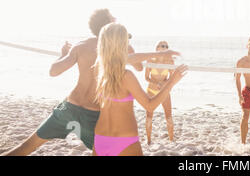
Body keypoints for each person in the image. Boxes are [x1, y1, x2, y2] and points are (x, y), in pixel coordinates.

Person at [2, 9, 145, 156]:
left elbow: (54, 71)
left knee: (28, 145)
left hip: (70, 108)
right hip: (93, 114)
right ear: (108, 25)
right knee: (110, 149)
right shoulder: (120, 47)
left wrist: (63, 54)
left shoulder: (80, 46)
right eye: (113, 18)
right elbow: (139, 67)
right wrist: (129, 48)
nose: (116, 19)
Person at [92, 23, 187, 156]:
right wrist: (172, 81)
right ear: (121, 45)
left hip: (100, 139)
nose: (128, 44)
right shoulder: (126, 76)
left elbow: (130, 58)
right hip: (125, 142)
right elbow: (150, 105)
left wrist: (159, 53)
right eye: (126, 41)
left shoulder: (99, 68)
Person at [145, 41, 175, 144]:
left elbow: (172, 78)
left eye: (167, 46)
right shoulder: (150, 60)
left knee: (169, 116)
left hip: (164, 90)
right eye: (163, 46)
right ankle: (149, 140)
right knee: (149, 116)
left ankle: (171, 140)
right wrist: (156, 83)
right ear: (157, 48)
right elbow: (146, 78)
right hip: (151, 90)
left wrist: (163, 84)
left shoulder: (170, 61)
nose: (165, 47)